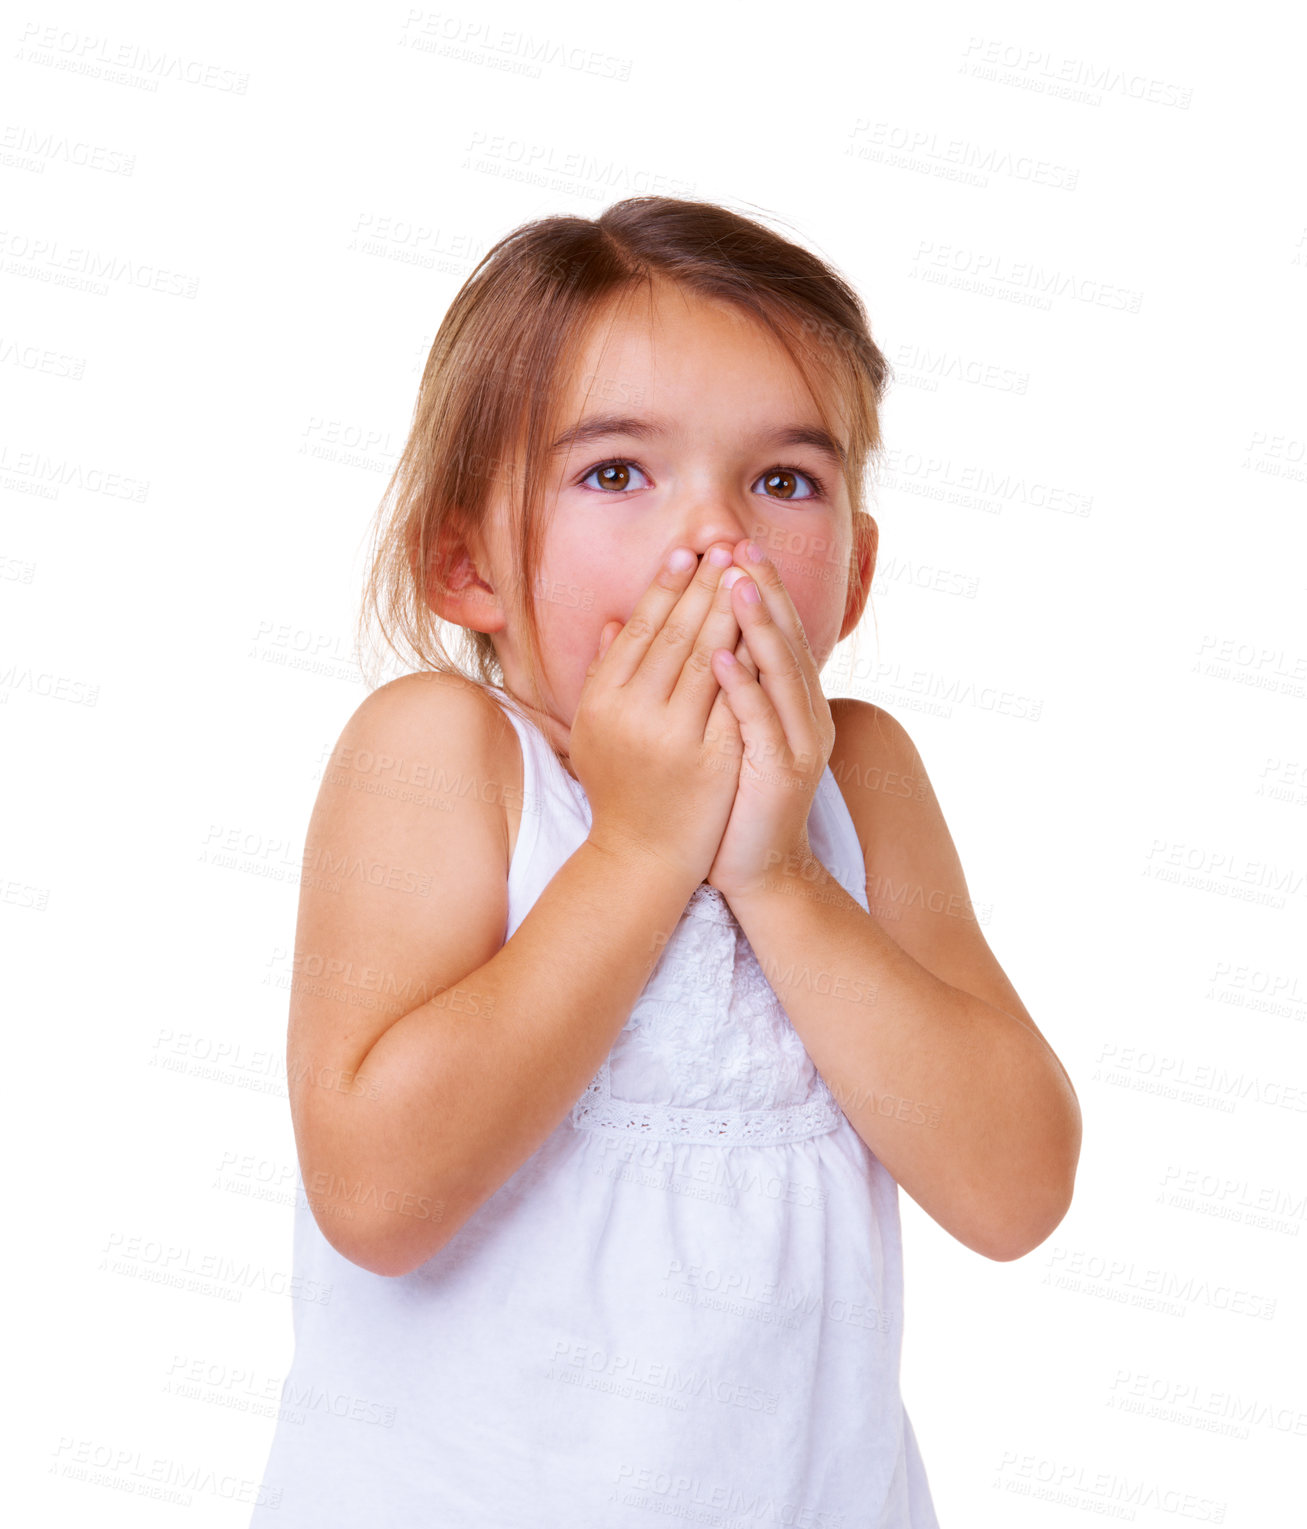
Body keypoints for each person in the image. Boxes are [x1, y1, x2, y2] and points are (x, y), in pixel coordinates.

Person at [248, 195, 1081, 1527]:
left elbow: (1016, 1186)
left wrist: (781, 877)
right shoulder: (448, 756)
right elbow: (377, 1192)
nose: (720, 539)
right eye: (619, 472)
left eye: (785, 480)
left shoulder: (859, 784)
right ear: (465, 559)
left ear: (853, 582)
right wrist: (640, 845)